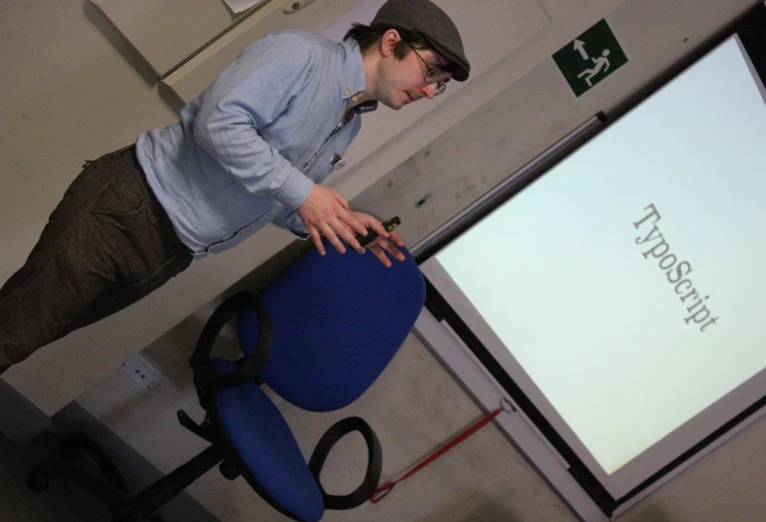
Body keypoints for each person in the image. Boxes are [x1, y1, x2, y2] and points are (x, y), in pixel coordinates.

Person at [0, 0, 470, 373]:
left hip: (168, 253)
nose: (430, 91)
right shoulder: (302, 54)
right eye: (431, 72)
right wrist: (305, 193)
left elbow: (275, 198)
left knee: (28, 335)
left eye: (441, 85)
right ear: (392, 42)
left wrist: (342, 224)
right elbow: (218, 124)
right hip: (131, 210)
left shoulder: (349, 124)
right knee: (11, 336)